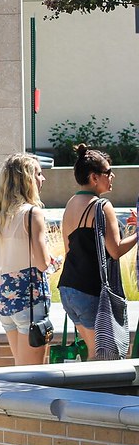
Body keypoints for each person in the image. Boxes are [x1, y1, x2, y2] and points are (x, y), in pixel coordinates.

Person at [58, 144, 138, 358]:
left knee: (93, 351)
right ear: (94, 177)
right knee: (101, 355)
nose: (113, 176)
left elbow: (68, 248)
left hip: (68, 288)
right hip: (90, 290)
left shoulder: (71, 203)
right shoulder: (102, 206)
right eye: (108, 173)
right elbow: (116, 250)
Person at [0, 153, 59, 365]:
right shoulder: (32, 213)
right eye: (38, 173)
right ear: (27, 179)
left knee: (20, 369)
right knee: (32, 375)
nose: (42, 179)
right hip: (30, 299)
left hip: (5, 300)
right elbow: (43, 263)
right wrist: (56, 262)